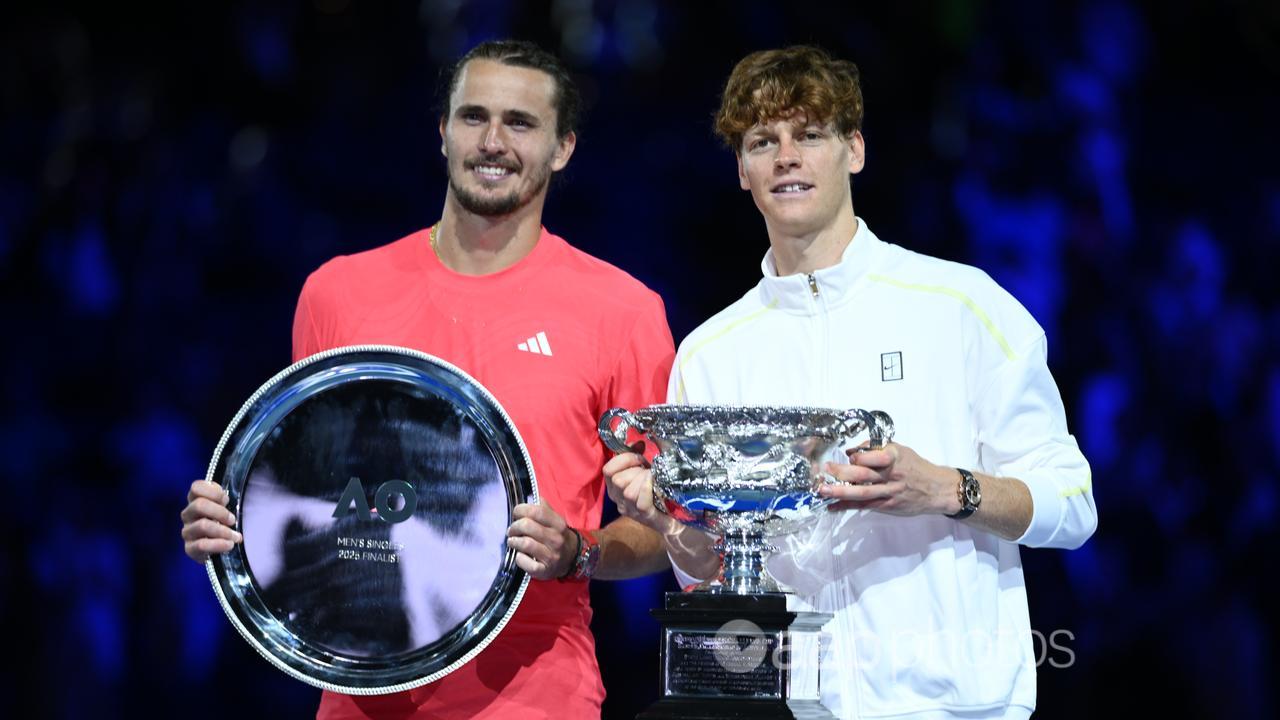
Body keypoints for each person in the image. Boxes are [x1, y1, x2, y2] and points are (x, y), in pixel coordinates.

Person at [180, 39, 676, 719]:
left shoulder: (623, 312)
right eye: (473, 117)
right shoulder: (338, 295)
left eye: (520, 123)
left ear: (563, 148)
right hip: (360, 690)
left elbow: (673, 530)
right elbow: (315, 490)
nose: (492, 141)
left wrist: (578, 552)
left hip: (533, 693)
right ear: (443, 133)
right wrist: (235, 521)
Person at [605, 45, 1097, 719]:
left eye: (809, 135)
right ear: (742, 171)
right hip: (788, 707)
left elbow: (1072, 503)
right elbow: (708, 574)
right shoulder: (711, 352)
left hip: (957, 708)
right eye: (762, 141)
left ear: (854, 150)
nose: (787, 157)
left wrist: (946, 488)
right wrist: (671, 522)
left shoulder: (961, 306)